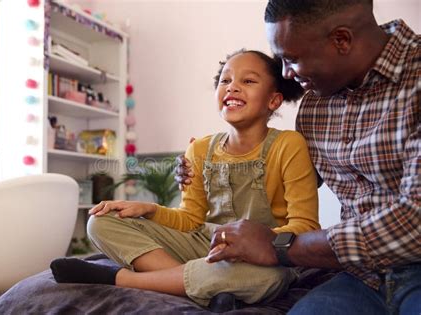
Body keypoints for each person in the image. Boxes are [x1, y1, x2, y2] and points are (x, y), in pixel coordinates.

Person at [177, 1, 420, 314]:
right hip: (360, 277)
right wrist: (204, 168)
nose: (285, 73)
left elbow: (415, 220)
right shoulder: (314, 107)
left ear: (341, 40)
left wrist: (281, 246)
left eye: (291, 59)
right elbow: (284, 179)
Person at [50, 49, 321, 309]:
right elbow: (190, 220)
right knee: (100, 222)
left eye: (248, 81)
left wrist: (258, 243)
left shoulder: (288, 144)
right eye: (225, 80)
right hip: (207, 244)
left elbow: (305, 226)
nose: (232, 87)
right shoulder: (200, 148)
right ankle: (192, 282)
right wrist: (150, 210)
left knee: (264, 279)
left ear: (273, 100)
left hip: (266, 257)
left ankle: (125, 279)